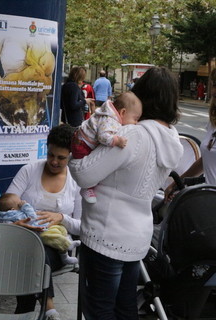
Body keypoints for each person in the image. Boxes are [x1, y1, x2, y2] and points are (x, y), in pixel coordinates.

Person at [68, 67, 183, 320]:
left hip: (105, 233)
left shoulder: (133, 134)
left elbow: (84, 174)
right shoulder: (172, 140)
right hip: (137, 237)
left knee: (99, 309)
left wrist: (74, 157)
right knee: (126, 307)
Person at [6, 124, 81, 320]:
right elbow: (7, 204)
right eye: (50, 155)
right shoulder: (29, 170)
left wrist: (61, 218)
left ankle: (24, 313)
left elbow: (83, 226)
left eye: (61, 158)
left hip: (57, 247)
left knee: (33, 254)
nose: (54, 162)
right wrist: (19, 222)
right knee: (30, 248)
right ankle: (48, 307)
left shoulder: (77, 181)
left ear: (71, 157)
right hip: (22, 240)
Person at [71, 91, 142, 203]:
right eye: (135, 119)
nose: (136, 123)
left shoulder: (109, 115)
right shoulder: (110, 119)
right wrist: (117, 140)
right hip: (83, 144)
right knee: (89, 170)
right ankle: (87, 188)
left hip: (81, 140)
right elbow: (103, 136)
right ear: (123, 112)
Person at [0, 34, 55, 127]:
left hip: (37, 109)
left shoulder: (44, 32)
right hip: (9, 105)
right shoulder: (1, 29)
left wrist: (41, 78)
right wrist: (10, 93)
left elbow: (48, 85)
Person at [165, 68, 216, 200]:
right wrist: (178, 182)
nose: (213, 91)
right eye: (214, 85)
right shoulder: (213, 123)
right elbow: (207, 159)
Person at [0, 193, 81, 265]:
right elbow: (33, 217)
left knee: (60, 228)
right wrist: (25, 206)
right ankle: (67, 245)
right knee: (53, 237)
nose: (22, 202)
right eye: (19, 203)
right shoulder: (16, 215)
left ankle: (66, 251)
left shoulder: (9, 215)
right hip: (38, 233)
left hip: (43, 226)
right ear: (13, 209)